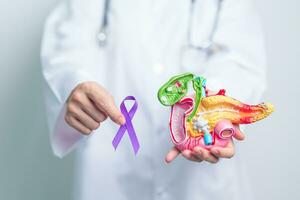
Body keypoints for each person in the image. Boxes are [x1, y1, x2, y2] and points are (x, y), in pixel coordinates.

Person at [41, 0, 266, 199]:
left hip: (200, 182)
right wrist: (74, 85)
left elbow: (241, 61)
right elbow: (66, 53)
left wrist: (211, 105)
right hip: (113, 167)